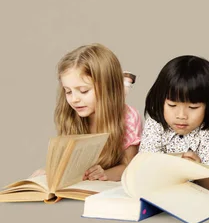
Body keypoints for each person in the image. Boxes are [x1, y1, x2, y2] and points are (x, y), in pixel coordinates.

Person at [138, 55, 209, 192]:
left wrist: (198, 170)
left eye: (193, 108)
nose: (181, 116)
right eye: (172, 105)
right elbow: (147, 162)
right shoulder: (155, 123)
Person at [31, 43, 142, 181]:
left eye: (83, 91)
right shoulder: (70, 114)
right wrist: (51, 171)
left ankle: (125, 82)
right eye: (68, 91)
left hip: (110, 188)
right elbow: (69, 164)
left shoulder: (128, 117)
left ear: (106, 88)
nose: (74, 99)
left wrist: (105, 174)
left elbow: (129, 166)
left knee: (120, 96)